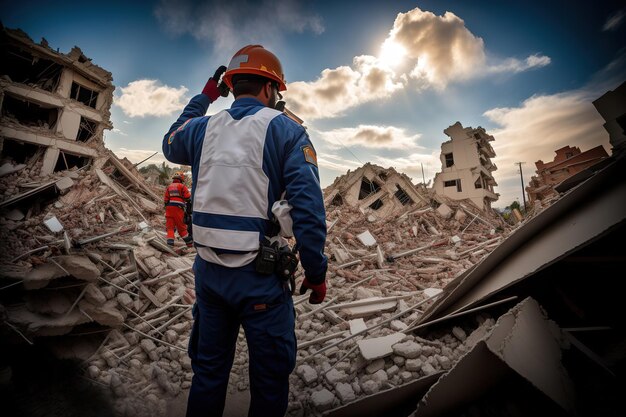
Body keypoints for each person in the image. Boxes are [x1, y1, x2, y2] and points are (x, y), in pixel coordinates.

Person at [162, 45, 328, 417]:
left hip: (209, 278)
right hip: (260, 279)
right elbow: (308, 212)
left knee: (208, 373)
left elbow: (171, 140)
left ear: (232, 86)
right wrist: (317, 274)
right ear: (270, 89)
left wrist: (206, 96)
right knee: (269, 383)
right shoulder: (287, 131)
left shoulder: (201, 128)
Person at [164, 171, 193, 248]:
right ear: (181, 179)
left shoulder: (169, 187)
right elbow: (188, 198)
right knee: (182, 228)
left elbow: (166, 200)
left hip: (169, 208)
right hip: (178, 208)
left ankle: (170, 245)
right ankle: (190, 245)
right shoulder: (182, 186)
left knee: (170, 227)